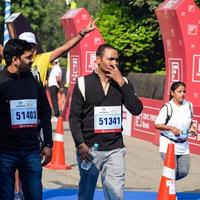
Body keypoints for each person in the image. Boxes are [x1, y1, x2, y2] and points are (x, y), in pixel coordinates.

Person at [69, 44, 143, 200]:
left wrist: (121, 82)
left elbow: (137, 109)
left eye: (116, 60)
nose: (114, 63)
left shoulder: (124, 83)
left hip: (115, 148)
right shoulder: (83, 83)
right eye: (110, 59)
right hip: (89, 150)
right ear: (98, 60)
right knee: (86, 193)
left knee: (116, 193)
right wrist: (80, 144)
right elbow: (74, 117)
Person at [0, 38, 53, 200]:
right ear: (15, 60)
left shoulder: (33, 79)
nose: (32, 61)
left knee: (35, 196)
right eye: (28, 57)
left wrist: (48, 143)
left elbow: (45, 111)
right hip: (4, 153)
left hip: (31, 151)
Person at [18, 18, 97, 84]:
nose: (28, 47)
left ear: (35, 46)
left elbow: (64, 48)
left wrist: (82, 32)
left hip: (38, 99)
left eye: (31, 45)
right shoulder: (13, 60)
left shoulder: (43, 58)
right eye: (25, 45)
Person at [154, 82, 197, 184]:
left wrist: (192, 128)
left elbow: (189, 121)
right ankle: (169, 193)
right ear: (172, 93)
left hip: (183, 145)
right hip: (168, 144)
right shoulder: (168, 107)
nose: (182, 94)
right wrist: (170, 128)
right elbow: (157, 124)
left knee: (183, 172)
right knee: (172, 171)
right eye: (179, 91)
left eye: (184, 91)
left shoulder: (189, 105)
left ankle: (166, 182)